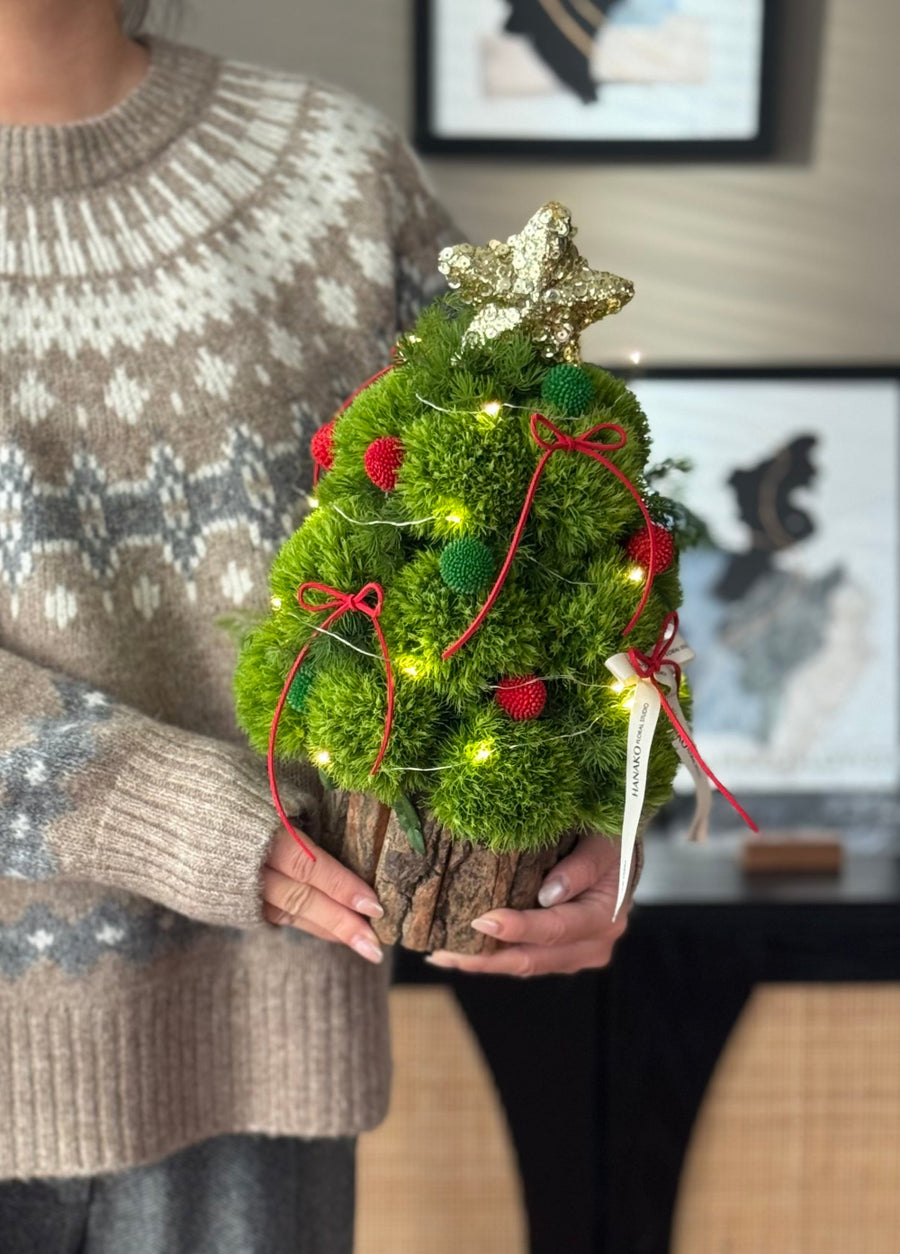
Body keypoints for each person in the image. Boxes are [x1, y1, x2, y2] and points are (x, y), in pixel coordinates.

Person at [0, 1, 638, 1249]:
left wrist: (599, 794)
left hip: (258, 1061)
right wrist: (182, 817)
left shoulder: (329, 171)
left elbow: (543, 513)